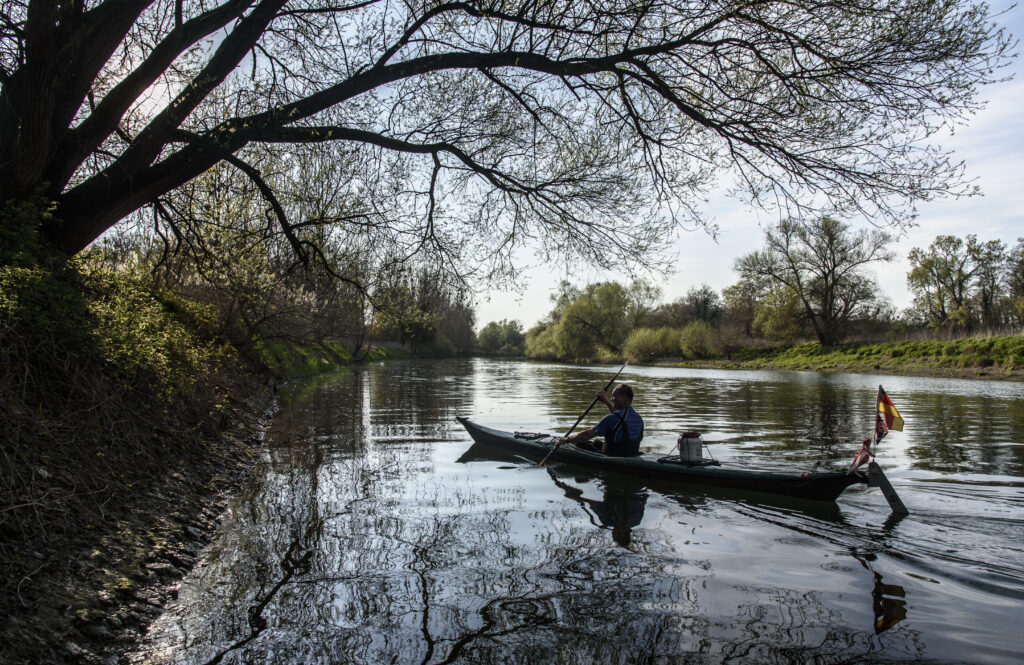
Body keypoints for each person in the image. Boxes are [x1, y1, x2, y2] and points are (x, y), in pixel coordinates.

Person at [559, 383, 644, 456]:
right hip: (631, 455)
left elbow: (586, 436)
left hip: (612, 457)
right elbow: (619, 420)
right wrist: (606, 402)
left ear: (624, 397)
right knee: (596, 442)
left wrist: (566, 440)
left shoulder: (611, 418)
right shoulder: (639, 419)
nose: (611, 399)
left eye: (614, 396)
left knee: (580, 442)